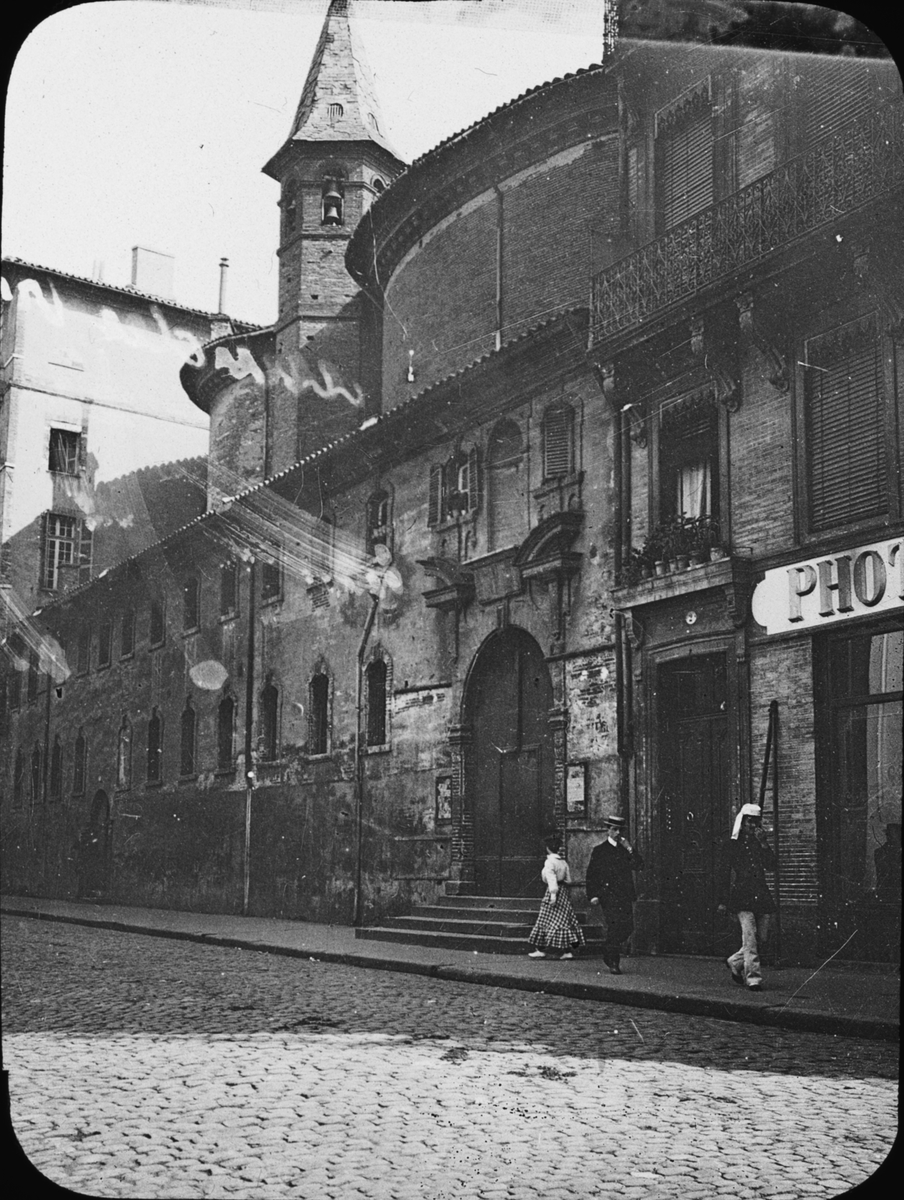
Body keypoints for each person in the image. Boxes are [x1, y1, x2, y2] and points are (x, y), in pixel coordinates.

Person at [719, 802, 776, 992]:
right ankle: (753, 978)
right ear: (742, 823)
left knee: (761, 937)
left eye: (755, 822)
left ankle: (735, 961)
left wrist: (764, 844)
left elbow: (771, 866)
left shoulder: (759, 843)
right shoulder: (732, 845)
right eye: (749, 822)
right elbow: (723, 873)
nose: (752, 826)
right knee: (750, 938)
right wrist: (723, 901)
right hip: (742, 895)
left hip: (761, 894)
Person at [585, 815, 644, 975]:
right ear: (608, 830)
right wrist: (592, 895)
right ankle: (614, 962)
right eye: (615, 829)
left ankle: (607, 949)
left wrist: (630, 848)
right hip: (608, 896)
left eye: (620, 830)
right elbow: (591, 874)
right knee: (615, 926)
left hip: (624, 895)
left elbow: (639, 865)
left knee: (628, 927)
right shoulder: (600, 850)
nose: (618, 833)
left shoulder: (625, 849)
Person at [527, 832, 585, 961]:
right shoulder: (563, 862)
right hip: (563, 892)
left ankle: (540, 949)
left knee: (544, 920)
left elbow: (551, 880)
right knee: (563, 921)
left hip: (553, 893)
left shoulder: (549, 862)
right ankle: (567, 951)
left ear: (547, 848)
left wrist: (553, 896)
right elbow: (569, 880)